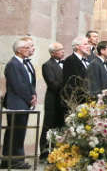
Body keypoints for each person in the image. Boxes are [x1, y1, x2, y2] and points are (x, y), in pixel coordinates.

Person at [2, 38, 37, 169]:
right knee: (15, 132)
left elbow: (30, 82)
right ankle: (14, 160)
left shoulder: (23, 63)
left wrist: (33, 96)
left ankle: (12, 159)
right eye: (27, 48)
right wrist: (30, 98)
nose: (30, 50)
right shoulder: (13, 64)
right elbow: (18, 86)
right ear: (19, 50)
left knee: (19, 132)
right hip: (16, 103)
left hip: (24, 102)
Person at [40, 42, 64, 159]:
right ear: (53, 53)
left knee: (59, 125)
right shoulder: (47, 65)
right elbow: (52, 83)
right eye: (60, 50)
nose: (63, 51)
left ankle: (57, 151)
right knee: (49, 125)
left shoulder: (64, 64)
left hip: (62, 100)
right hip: (53, 99)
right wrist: (65, 87)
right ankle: (44, 152)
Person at [62, 36, 92, 106]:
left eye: (88, 44)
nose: (89, 46)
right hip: (77, 102)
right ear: (77, 47)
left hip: (88, 101)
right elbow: (71, 83)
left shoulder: (88, 61)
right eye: (85, 44)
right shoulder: (70, 60)